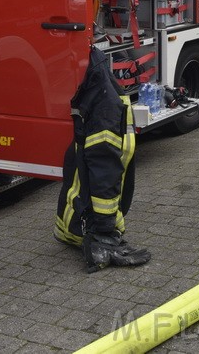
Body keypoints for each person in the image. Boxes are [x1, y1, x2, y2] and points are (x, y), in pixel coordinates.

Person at [55, 47, 151, 273]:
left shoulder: (95, 87)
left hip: (72, 218)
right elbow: (104, 169)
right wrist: (104, 234)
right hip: (82, 227)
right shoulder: (104, 102)